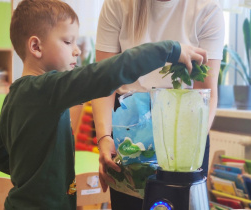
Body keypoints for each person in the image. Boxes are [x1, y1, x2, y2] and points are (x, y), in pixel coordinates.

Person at [0, 0, 207, 209]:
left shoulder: (14, 95)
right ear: (36, 46)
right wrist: (169, 50)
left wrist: (32, 176)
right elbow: (106, 73)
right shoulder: (48, 89)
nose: (77, 50)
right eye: (67, 41)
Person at [92, 0, 225, 209]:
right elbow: (104, 81)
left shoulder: (206, 8)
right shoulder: (118, 4)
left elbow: (205, 93)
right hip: (130, 129)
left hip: (186, 131)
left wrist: (184, 150)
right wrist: (104, 137)